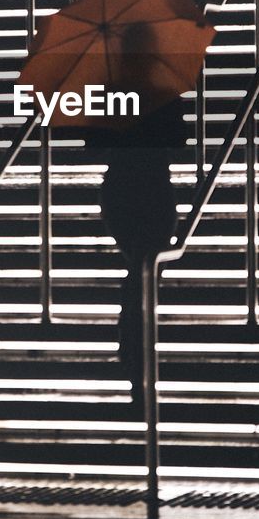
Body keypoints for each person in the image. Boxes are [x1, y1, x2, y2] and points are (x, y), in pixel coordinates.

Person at [90, 99, 186, 402]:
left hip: (121, 191)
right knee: (144, 276)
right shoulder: (162, 90)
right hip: (153, 190)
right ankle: (135, 361)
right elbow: (178, 139)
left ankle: (134, 361)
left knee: (139, 274)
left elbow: (93, 144)